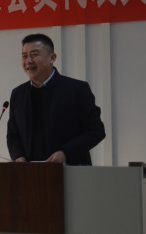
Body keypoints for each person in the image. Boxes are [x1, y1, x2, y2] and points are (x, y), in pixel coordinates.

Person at [6, 33, 105, 165]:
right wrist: (18, 156)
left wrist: (66, 153)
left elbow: (96, 131)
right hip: (29, 173)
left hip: (71, 169)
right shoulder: (18, 94)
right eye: (24, 56)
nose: (28, 61)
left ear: (52, 58)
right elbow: (13, 135)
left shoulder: (77, 89)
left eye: (34, 55)